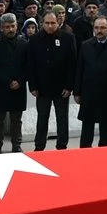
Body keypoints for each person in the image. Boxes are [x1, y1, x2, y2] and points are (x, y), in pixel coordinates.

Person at [26, 10, 76, 151]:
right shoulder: (35, 39)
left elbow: (72, 64)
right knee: (42, 118)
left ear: (58, 23)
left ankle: (62, 145)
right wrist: (33, 86)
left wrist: (69, 86)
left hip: (62, 88)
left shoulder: (68, 38)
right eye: (47, 23)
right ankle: (39, 145)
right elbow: (31, 64)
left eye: (53, 23)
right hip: (42, 88)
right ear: (42, 23)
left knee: (62, 119)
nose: (50, 26)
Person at [74, 16, 107, 148]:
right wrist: (77, 92)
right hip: (89, 94)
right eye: (96, 27)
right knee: (87, 129)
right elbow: (80, 70)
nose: (99, 30)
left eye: (102, 28)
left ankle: (104, 157)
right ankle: (84, 155)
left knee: (105, 129)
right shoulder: (85, 45)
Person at [0, 14, 27, 154]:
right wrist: (8, 81)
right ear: (2, 28)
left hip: (19, 88)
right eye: (7, 27)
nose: (10, 29)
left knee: (17, 119)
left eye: (13, 26)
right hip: (0, 87)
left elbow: (28, 66)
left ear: (17, 26)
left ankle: (17, 144)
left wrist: (19, 81)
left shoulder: (24, 44)